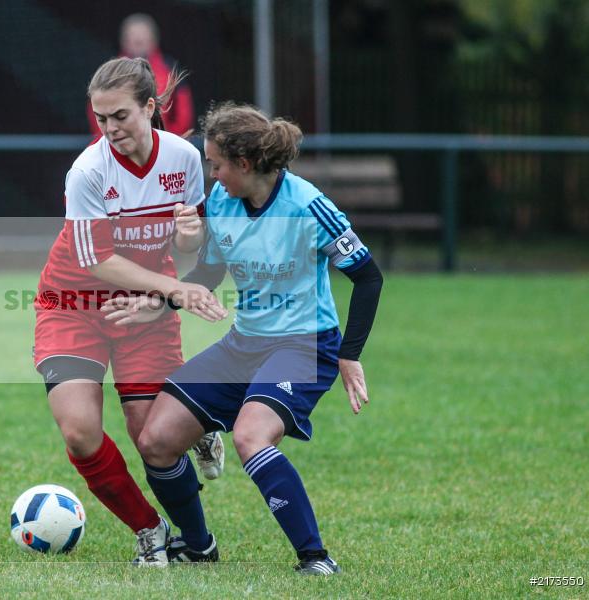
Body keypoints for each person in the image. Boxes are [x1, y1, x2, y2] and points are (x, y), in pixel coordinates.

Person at [103, 102, 384, 572]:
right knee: (155, 438)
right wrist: (159, 303)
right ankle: (198, 546)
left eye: (215, 164)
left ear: (245, 164)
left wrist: (350, 355)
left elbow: (369, 278)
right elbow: (211, 267)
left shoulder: (309, 206)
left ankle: (315, 557)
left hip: (304, 345)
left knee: (252, 436)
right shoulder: (221, 202)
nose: (211, 175)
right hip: (243, 344)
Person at [33, 57, 228, 565]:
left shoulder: (183, 158)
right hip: (71, 305)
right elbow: (96, 261)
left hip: (144, 309)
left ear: (149, 107)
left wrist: (189, 241)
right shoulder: (88, 171)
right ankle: (149, 530)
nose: (110, 128)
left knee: (152, 439)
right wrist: (173, 290)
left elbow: (196, 248)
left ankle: (199, 542)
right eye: (101, 118)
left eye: (120, 115)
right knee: (79, 433)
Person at [87, 14, 195, 137]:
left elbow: (183, 113)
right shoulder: (109, 71)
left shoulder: (170, 68)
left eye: (143, 35)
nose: (138, 40)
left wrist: (169, 140)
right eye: (133, 36)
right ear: (124, 40)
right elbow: (96, 109)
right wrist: (110, 139)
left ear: (154, 39)